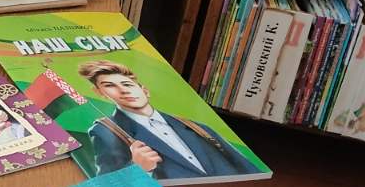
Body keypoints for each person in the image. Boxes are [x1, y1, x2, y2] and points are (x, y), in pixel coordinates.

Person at [81, 60, 258, 179]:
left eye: (127, 84)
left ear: (145, 91)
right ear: (100, 93)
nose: (124, 90)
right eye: (110, 86)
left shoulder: (195, 126)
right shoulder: (105, 130)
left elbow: (248, 168)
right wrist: (137, 168)